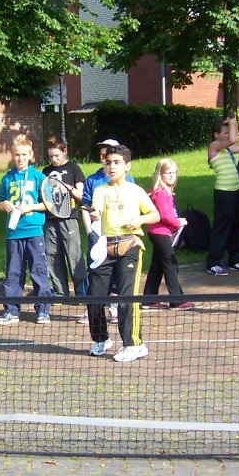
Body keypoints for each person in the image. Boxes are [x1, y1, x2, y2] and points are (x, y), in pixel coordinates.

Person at [86, 144, 160, 362]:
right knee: (94, 298)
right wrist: (95, 212)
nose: (111, 166)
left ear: (127, 166)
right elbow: (97, 211)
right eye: (108, 162)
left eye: (117, 162)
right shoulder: (101, 191)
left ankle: (134, 344)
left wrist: (140, 219)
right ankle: (101, 339)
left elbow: (154, 214)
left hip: (130, 247)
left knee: (127, 298)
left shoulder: (135, 191)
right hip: (105, 248)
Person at [0, 135, 51, 325]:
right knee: (13, 272)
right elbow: (0, 202)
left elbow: (48, 204)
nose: (20, 158)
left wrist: (31, 207)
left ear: (31, 155)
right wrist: (5, 205)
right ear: (12, 155)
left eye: (24, 155)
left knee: (38, 270)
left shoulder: (39, 177)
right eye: (17, 155)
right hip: (13, 232)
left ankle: (43, 310)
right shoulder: (6, 178)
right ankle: (11, 311)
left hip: (34, 231)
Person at [80, 139, 136, 325]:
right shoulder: (94, 182)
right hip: (99, 235)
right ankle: (96, 317)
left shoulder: (131, 184)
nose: (108, 162)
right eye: (104, 157)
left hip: (125, 239)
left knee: (121, 280)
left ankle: (114, 309)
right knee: (96, 278)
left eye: (113, 160)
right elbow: (89, 208)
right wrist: (90, 230)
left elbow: (149, 212)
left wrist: (137, 222)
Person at [142, 158, 192, 310]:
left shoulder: (165, 191)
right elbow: (165, 215)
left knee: (157, 266)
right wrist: (178, 222)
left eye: (174, 172)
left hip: (159, 233)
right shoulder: (161, 193)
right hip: (159, 233)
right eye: (168, 173)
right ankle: (177, 300)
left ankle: (149, 299)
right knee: (170, 265)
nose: (171, 176)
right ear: (160, 174)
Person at [42, 136, 86, 299]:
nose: (54, 159)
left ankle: (81, 292)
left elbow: (81, 195)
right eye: (51, 156)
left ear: (64, 151)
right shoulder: (45, 171)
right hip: (50, 219)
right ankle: (60, 292)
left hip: (69, 217)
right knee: (52, 255)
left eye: (57, 156)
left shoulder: (74, 168)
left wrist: (69, 188)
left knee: (73, 254)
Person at [205, 117, 239, 276]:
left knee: (237, 226)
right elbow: (232, 139)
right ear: (216, 135)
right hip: (224, 193)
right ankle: (213, 262)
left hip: (235, 191)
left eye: (228, 131)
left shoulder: (227, 150)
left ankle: (236, 259)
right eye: (224, 132)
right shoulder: (214, 146)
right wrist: (233, 124)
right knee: (221, 227)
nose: (228, 135)